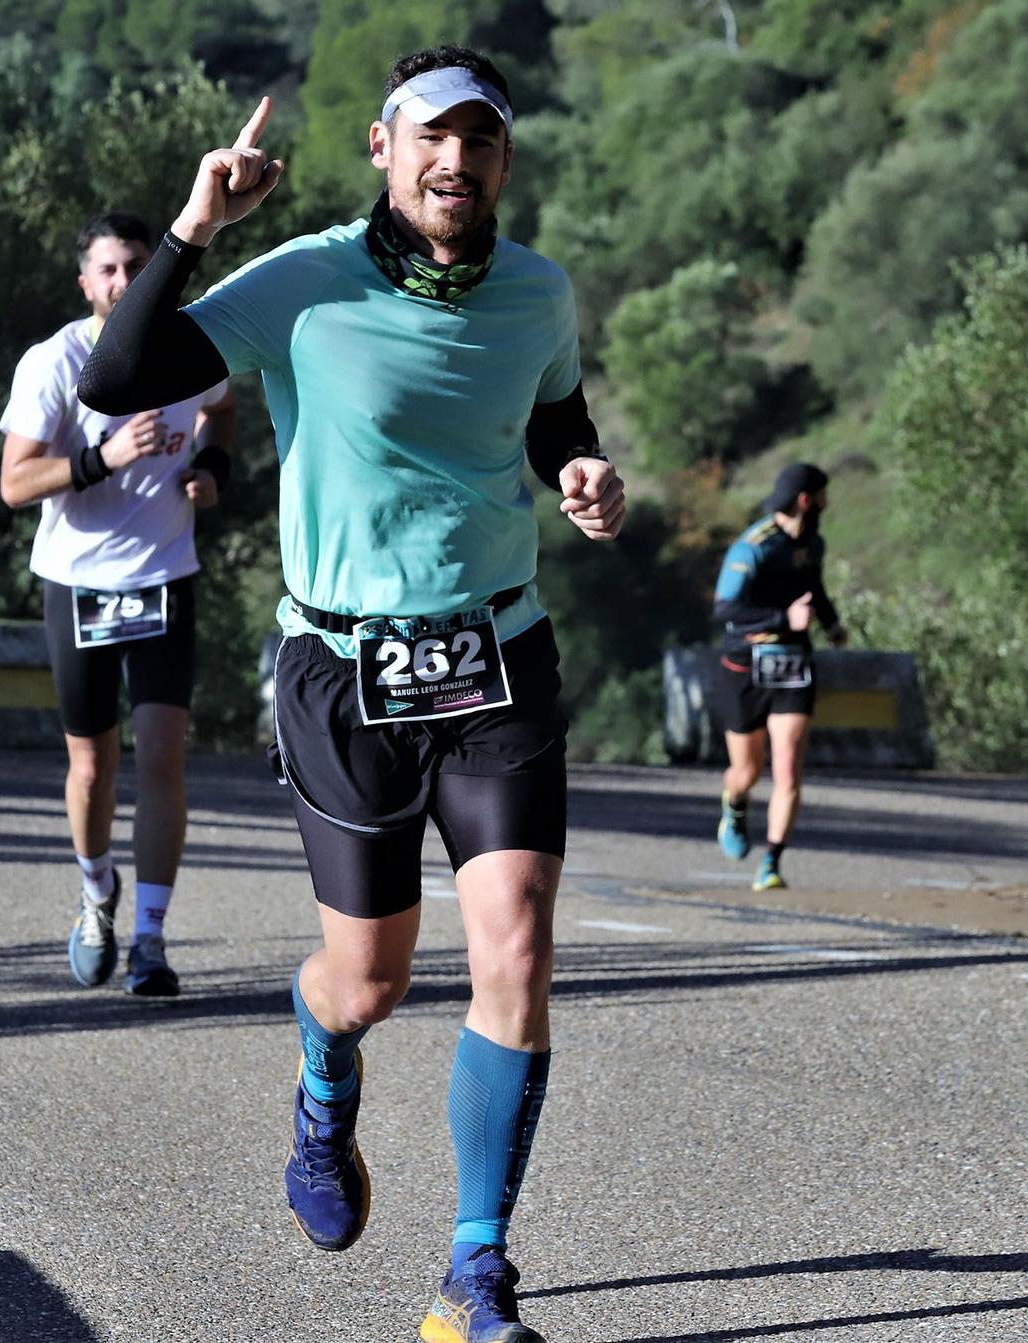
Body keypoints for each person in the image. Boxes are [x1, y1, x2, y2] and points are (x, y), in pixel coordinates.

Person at [76, 46, 623, 1343]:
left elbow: (552, 416)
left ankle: (475, 1274)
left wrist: (584, 469)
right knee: (368, 978)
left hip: (498, 655)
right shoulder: (305, 282)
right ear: (384, 150)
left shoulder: (537, 293)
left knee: (518, 947)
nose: (456, 162)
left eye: (480, 142)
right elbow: (114, 382)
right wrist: (196, 224)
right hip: (343, 667)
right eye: (431, 138)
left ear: (503, 160)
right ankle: (325, 1074)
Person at [0, 212, 236, 998]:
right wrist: (101, 458)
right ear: (86, 282)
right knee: (93, 766)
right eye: (109, 269)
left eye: (138, 264)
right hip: (79, 583)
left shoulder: (187, 349)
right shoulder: (55, 361)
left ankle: (152, 940)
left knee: (163, 758)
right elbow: (14, 482)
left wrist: (210, 468)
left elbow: (221, 410)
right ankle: (98, 893)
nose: (126, 282)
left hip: (165, 574)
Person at [710, 461, 847, 892]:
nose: (829, 502)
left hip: (793, 666)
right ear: (806, 499)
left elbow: (814, 587)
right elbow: (725, 609)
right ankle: (734, 807)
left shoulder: (814, 543)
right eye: (824, 495)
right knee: (746, 773)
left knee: (787, 767)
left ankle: (771, 861)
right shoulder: (753, 546)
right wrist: (782, 617)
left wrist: (831, 624)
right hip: (745, 667)